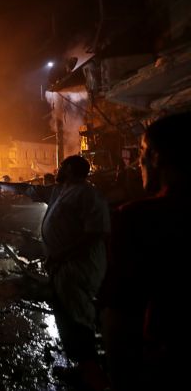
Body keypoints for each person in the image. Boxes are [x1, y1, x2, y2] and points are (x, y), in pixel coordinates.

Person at [102, 113, 190, 391]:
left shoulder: (139, 218)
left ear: (157, 157)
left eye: (141, 152)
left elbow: (122, 312)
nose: (138, 163)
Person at [41, 155, 110, 391]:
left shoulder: (87, 193)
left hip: (78, 266)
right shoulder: (65, 191)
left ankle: (93, 377)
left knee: (78, 318)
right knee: (68, 315)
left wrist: (63, 255)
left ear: (70, 169)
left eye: (62, 166)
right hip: (63, 265)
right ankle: (83, 368)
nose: (58, 170)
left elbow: (95, 232)